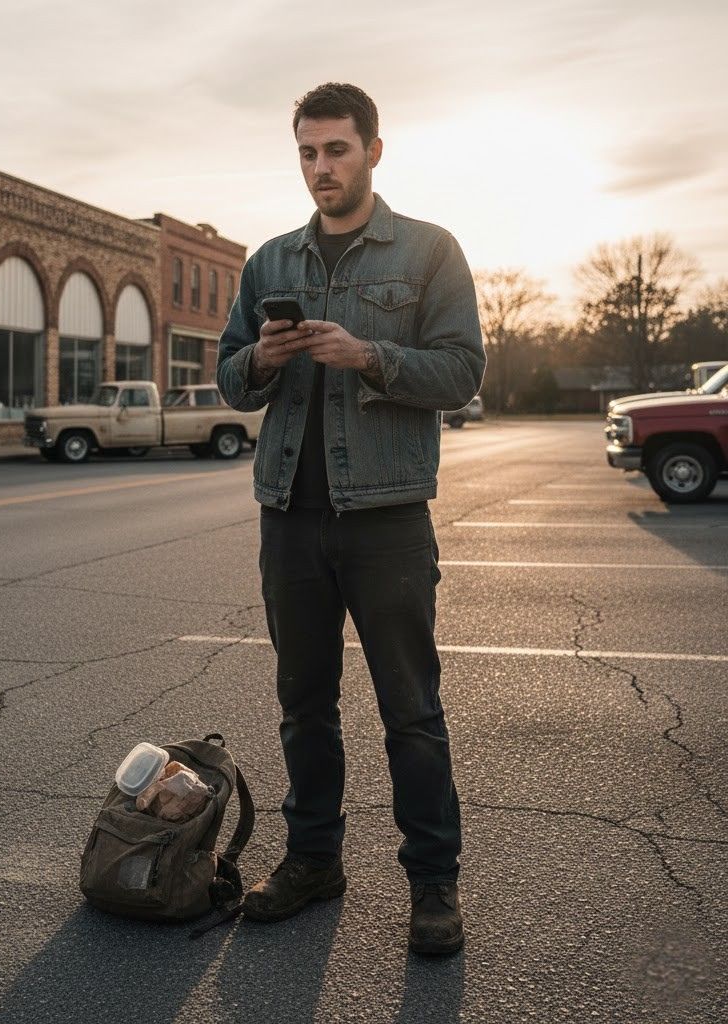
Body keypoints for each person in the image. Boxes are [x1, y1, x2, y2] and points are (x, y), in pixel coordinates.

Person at [216, 82, 485, 955]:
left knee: (410, 709)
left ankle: (433, 886)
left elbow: (462, 373)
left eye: (336, 149)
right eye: (306, 152)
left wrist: (367, 355)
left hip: (387, 517)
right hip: (290, 513)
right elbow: (228, 379)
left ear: (374, 149)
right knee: (303, 704)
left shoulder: (430, 252)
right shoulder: (269, 263)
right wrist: (261, 356)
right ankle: (313, 861)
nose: (320, 167)